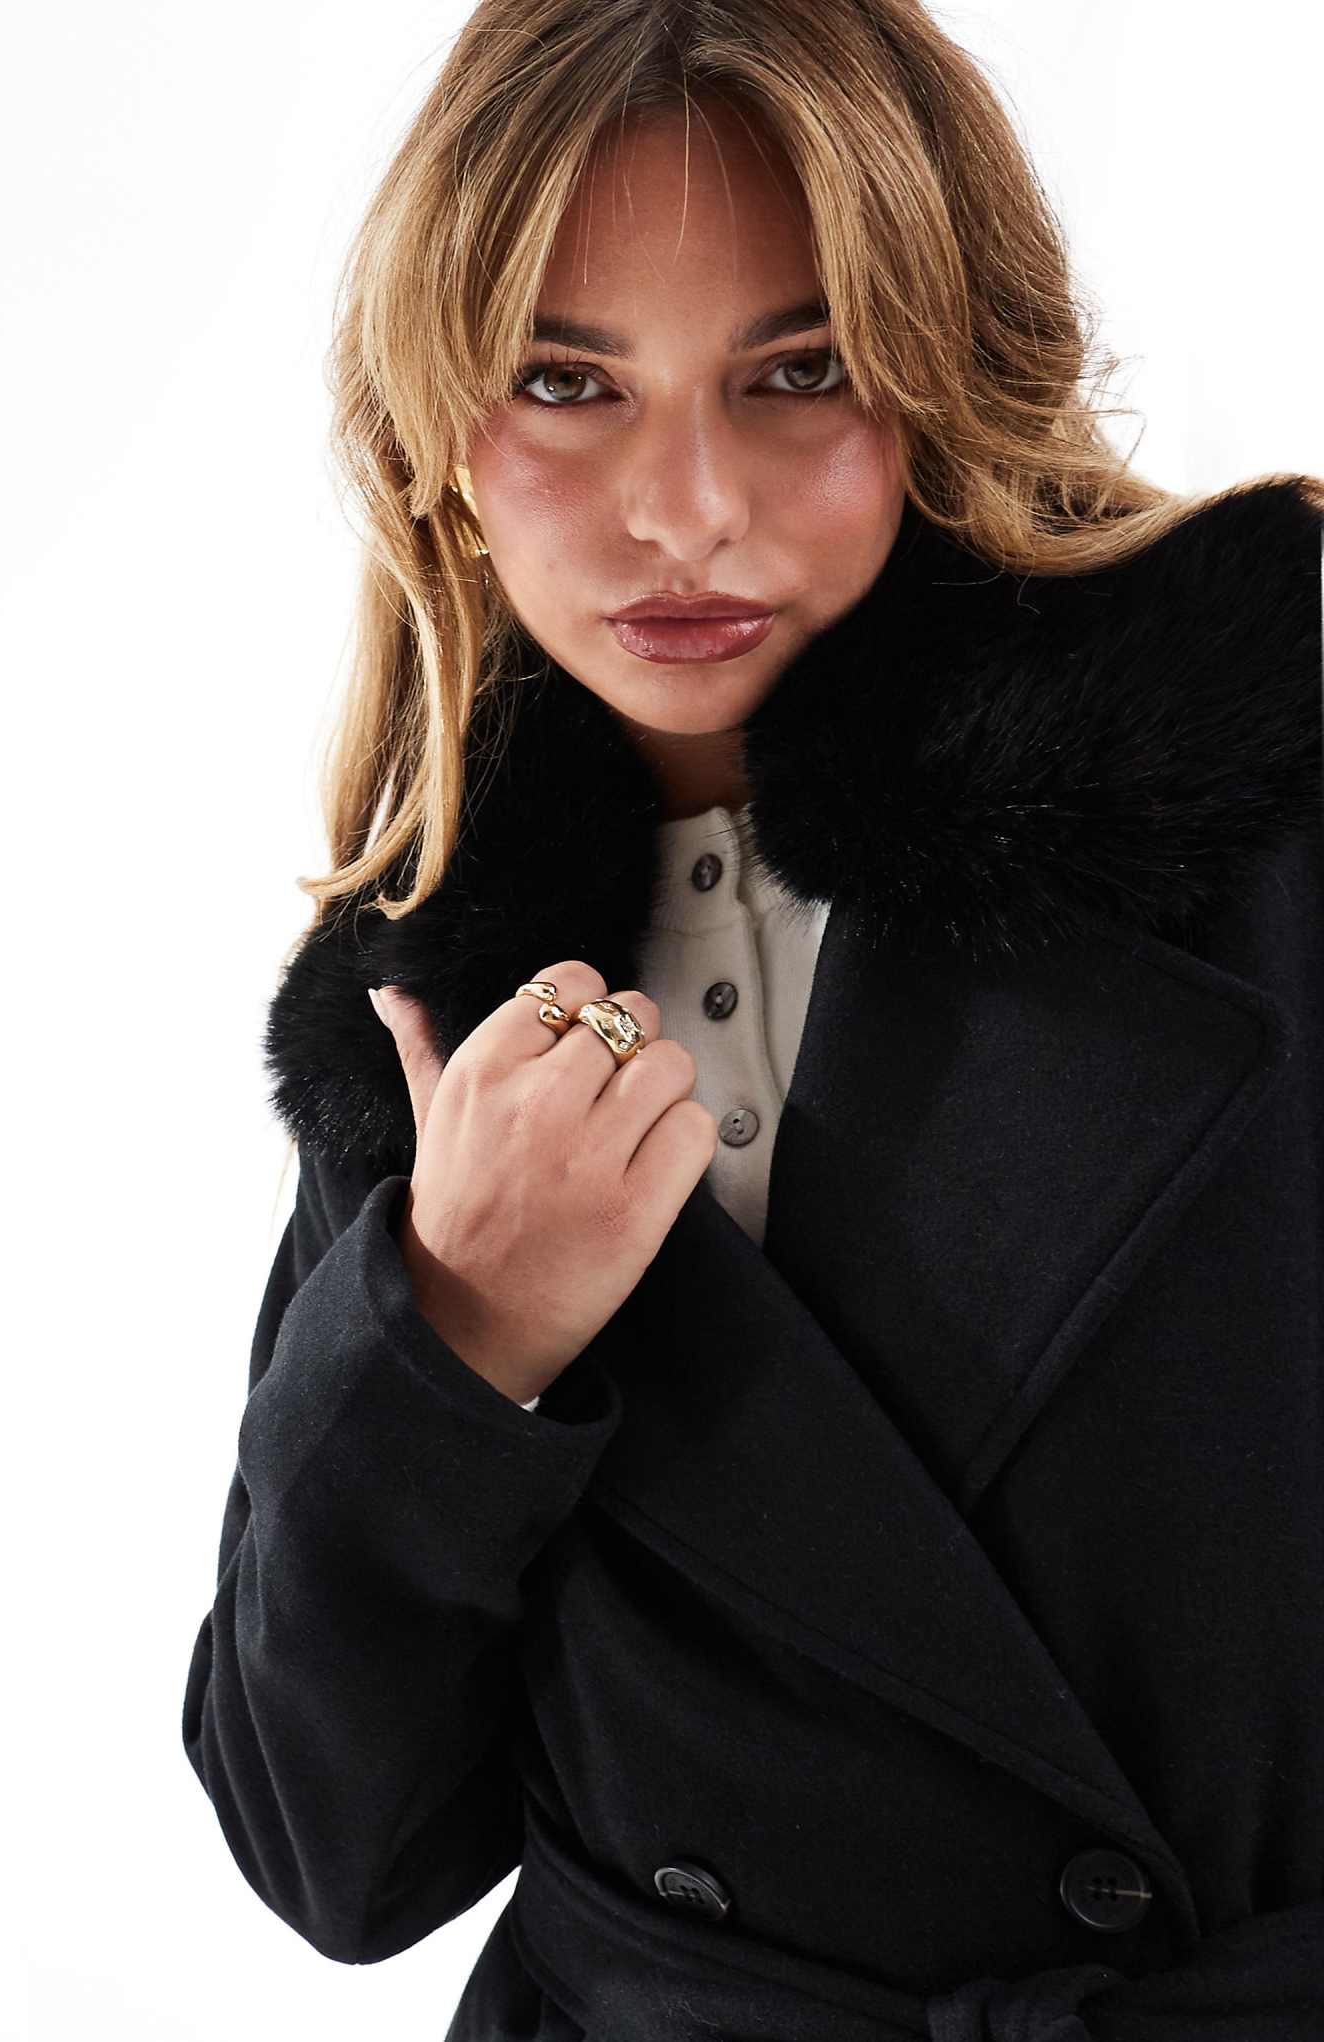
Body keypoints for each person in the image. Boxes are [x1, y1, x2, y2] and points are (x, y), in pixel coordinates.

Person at [180, 3, 1324, 2036]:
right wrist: (456, 1341)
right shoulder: (434, 995)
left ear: (945, 366)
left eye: (798, 371)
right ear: (439, 438)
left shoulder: (1256, 799)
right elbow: (335, 1853)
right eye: (568, 381)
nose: (685, 505)